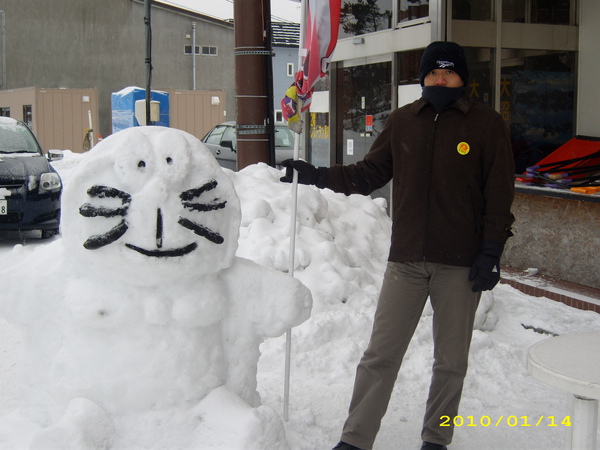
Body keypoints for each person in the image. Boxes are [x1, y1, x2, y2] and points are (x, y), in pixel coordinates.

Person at [280, 41, 515, 450]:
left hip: (460, 265)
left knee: (451, 362)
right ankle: (355, 440)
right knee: (379, 356)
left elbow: (499, 195)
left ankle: (436, 440)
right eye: (433, 72)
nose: (440, 79)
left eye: (448, 72)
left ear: (462, 78)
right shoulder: (405, 121)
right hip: (406, 259)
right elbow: (367, 173)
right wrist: (317, 175)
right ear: (423, 77)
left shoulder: (485, 125)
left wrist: (491, 252)